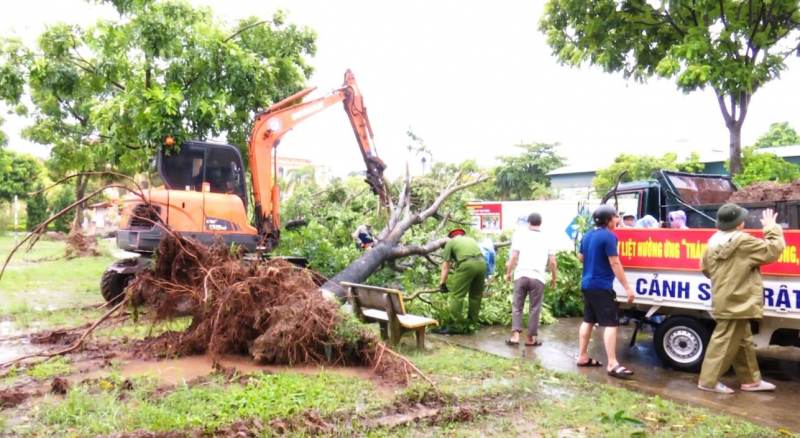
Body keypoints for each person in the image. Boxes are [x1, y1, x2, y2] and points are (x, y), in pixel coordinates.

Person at [697, 205, 785, 394]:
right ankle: (708, 381)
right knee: (724, 340)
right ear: (740, 223)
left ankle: (750, 381)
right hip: (739, 300)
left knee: (742, 340)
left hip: (724, 297)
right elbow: (773, 250)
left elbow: (705, 268)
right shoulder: (742, 241)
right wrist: (771, 226)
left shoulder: (713, 240)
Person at [577, 205, 635, 379]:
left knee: (588, 320)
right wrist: (627, 287)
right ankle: (612, 363)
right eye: (615, 217)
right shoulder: (609, 236)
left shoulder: (587, 235)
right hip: (601, 286)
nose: (617, 220)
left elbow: (581, 258)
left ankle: (582, 356)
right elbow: (615, 263)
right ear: (608, 219)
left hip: (587, 284)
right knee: (611, 324)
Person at [504, 212, 557, 347]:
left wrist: (508, 273)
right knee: (535, 308)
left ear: (529, 223)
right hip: (538, 278)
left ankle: (515, 337)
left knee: (517, 306)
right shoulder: (547, 238)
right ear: (540, 223)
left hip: (521, 275)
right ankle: (530, 339)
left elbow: (514, 257)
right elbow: (552, 262)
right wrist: (554, 278)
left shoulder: (521, 236)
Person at [436, 228, 487, 334]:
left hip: (467, 265)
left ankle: (453, 326)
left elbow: (446, 266)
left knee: (457, 296)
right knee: (476, 296)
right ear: (462, 235)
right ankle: (471, 324)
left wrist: (442, 283)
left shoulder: (450, 243)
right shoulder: (471, 240)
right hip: (482, 264)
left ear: (451, 237)